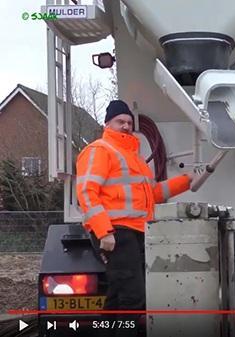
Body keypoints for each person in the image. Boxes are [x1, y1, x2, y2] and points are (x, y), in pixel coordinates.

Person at [76, 100, 192, 336]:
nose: (126, 126)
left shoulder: (135, 159)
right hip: (116, 232)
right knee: (133, 296)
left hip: (135, 233)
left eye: (129, 122)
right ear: (107, 123)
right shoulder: (100, 150)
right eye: (120, 121)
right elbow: (86, 192)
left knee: (119, 295)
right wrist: (103, 232)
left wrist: (188, 180)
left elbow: (154, 193)